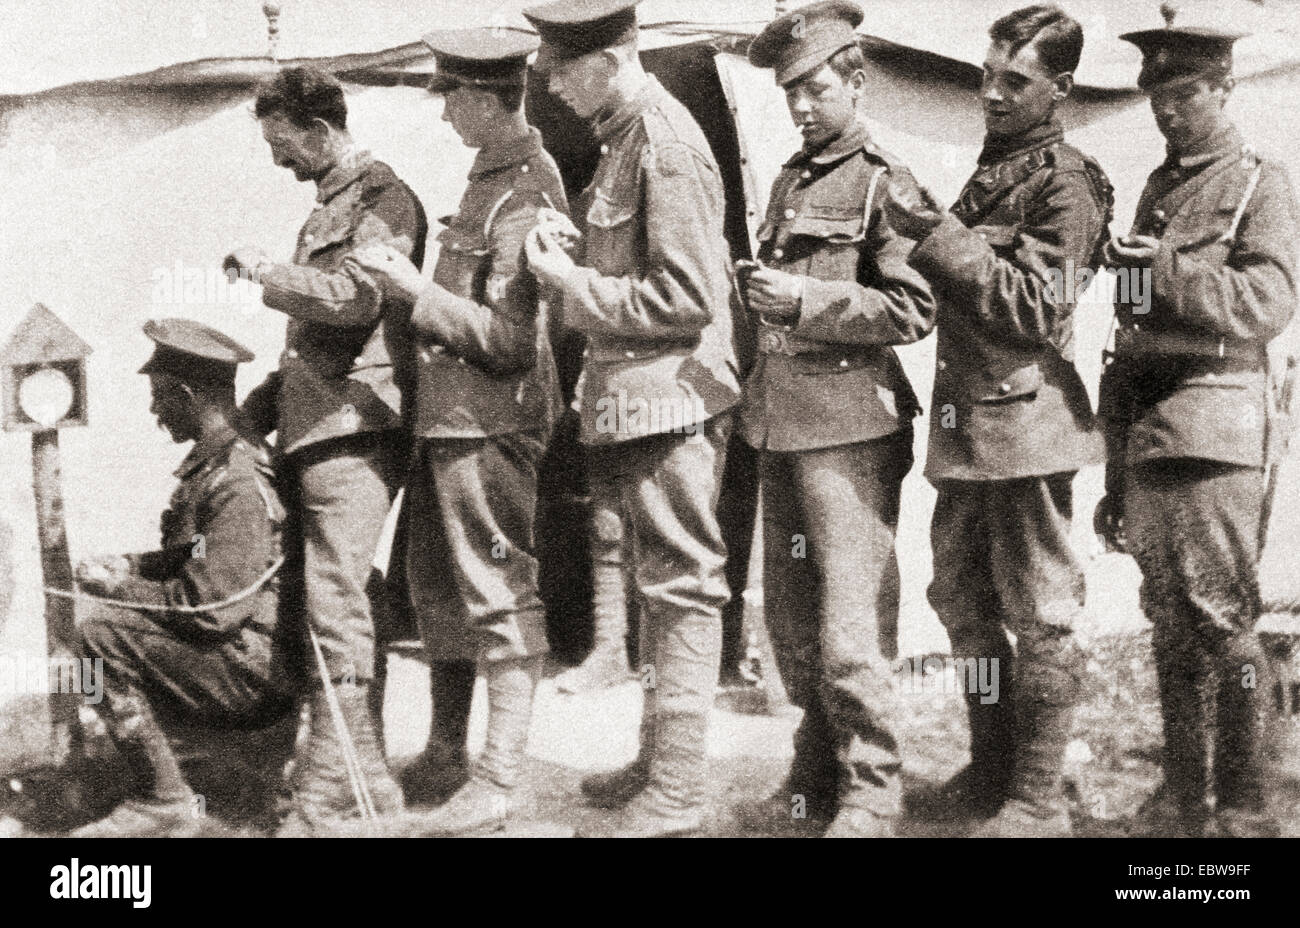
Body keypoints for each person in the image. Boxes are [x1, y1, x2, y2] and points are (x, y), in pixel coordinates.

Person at [885, 4, 1112, 837]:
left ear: (1061, 87)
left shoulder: (1068, 182)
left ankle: (1038, 798)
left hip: (1027, 434)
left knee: (1042, 617)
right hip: (970, 435)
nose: (990, 93)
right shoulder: (997, 167)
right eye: (986, 76)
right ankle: (991, 769)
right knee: (964, 606)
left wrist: (937, 233)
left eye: (1013, 81)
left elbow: (1035, 310)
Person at [522, 0, 742, 837]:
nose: (548, 81)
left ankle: (681, 790)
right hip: (635, 402)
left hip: (672, 402)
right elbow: (636, 264)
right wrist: (571, 251)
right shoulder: (624, 139)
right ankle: (660, 762)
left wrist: (572, 286)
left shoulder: (667, 145)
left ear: (610, 61)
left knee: (682, 590)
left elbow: (685, 298)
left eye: (560, 67)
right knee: (658, 590)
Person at [348, 26, 565, 836]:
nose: (443, 114)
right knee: (437, 588)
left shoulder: (526, 195)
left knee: (500, 593)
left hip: (490, 424)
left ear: (484, 97)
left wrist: (409, 289)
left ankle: (499, 778)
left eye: (451, 98)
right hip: (449, 425)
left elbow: (510, 343)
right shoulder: (488, 183)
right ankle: (446, 751)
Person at [732, 0, 935, 838]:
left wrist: (808, 299)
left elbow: (913, 306)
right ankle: (813, 781)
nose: (802, 108)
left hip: (850, 430)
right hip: (779, 423)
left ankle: (874, 797)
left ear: (857, 80)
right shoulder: (790, 177)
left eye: (816, 90)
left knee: (852, 632)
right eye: (790, 96)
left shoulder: (887, 180)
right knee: (792, 625)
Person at [1097, 14, 1298, 838]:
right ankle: (1184, 802)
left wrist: (1165, 272)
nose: (1168, 112)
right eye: (1158, 98)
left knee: (1222, 620)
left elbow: (1268, 304)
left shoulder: (1262, 185)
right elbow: (1137, 324)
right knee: (1168, 624)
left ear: (1223, 90)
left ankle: (1245, 805)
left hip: (1217, 424)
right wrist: (1115, 470)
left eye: (1185, 95)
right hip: (1150, 429)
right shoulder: (1157, 188)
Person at [224, 66, 428, 834]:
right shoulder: (333, 204)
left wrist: (267, 276)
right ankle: (368, 781)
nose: (280, 160)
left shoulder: (382, 198)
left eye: (284, 144)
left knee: (336, 607)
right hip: (320, 428)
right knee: (330, 604)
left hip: (356, 431)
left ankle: (325, 790)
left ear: (319, 130)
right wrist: (261, 408)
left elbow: (357, 300)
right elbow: (314, 342)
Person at [70, 319, 292, 837]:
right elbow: (195, 555)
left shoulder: (235, 482)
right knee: (107, 623)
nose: (153, 413)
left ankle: (163, 797)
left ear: (190, 395)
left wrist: (119, 589)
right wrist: (133, 566)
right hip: (248, 654)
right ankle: (181, 776)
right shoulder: (218, 466)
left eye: (159, 398)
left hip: (254, 672)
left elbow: (212, 611)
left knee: (95, 637)